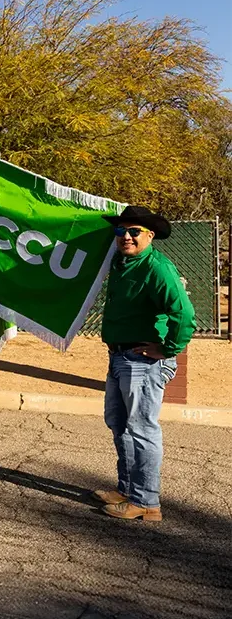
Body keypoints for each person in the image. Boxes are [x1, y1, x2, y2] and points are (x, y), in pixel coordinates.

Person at [95, 206, 195, 521]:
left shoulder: (157, 268)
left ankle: (147, 501)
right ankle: (127, 489)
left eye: (134, 231)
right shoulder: (121, 262)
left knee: (141, 428)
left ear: (149, 235)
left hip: (143, 361)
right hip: (119, 356)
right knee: (119, 423)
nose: (126, 236)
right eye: (120, 231)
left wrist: (168, 349)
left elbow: (184, 314)